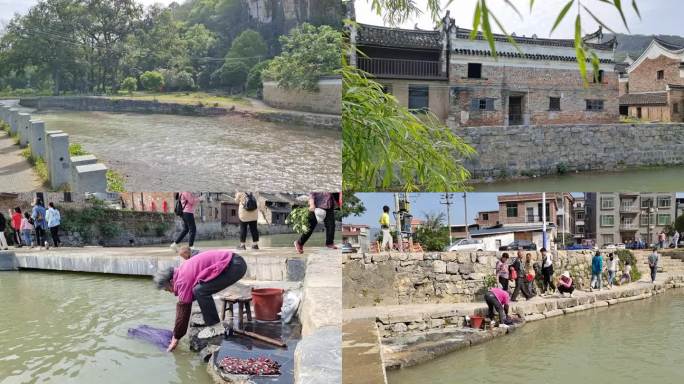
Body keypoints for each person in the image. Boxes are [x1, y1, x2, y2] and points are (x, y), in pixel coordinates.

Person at [154, 249, 247, 352]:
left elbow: (183, 309)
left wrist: (176, 337)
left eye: (167, 289)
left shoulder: (182, 279)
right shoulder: (182, 271)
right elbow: (187, 300)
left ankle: (214, 326)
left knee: (200, 291)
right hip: (235, 262)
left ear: (171, 281)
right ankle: (213, 324)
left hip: (234, 266)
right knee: (198, 291)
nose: (170, 292)